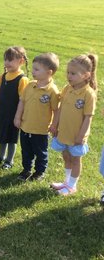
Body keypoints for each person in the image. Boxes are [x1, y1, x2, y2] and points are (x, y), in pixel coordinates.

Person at [50, 54, 98, 196]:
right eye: (68, 73)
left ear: (86, 75)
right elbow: (60, 109)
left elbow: (88, 118)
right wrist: (54, 124)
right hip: (64, 131)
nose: (69, 76)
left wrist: (81, 135)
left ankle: (72, 186)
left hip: (77, 134)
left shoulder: (88, 94)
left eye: (73, 73)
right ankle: (66, 182)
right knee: (66, 156)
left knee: (76, 159)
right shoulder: (67, 89)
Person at [14, 53, 60, 181]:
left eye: (36, 69)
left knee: (41, 153)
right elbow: (22, 102)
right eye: (33, 68)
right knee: (26, 151)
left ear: (49, 72)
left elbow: (57, 110)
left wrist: (54, 125)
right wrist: (17, 117)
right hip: (25, 126)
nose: (33, 71)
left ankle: (40, 172)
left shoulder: (52, 91)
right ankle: (26, 169)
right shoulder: (30, 85)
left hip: (41, 130)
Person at [0, 46, 29, 169]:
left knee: (11, 138)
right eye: (6, 59)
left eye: (10, 60)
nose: (7, 62)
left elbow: (22, 101)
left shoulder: (22, 79)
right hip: (2, 112)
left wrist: (18, 116)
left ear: (21, 61)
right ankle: (1, 156)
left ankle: (9, 160)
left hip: (13, 115)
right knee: (2, 136)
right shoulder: (3, 76)